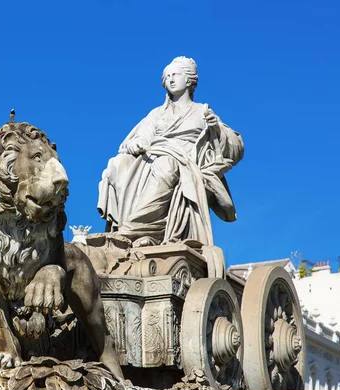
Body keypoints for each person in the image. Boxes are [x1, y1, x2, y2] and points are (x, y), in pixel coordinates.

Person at [97, 56, 243, 248]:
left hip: (185, 161)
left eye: (176, 75)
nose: (171, 79)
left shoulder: (202, 111)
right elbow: (142, 136)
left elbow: (236, 147)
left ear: (189, 79)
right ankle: (142, 232)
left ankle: (134, 228)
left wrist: (216, 128)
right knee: (118, 164)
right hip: (156, 154)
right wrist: (136, 144)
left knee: (165, 164)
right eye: (167, 76)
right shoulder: (157, 113)